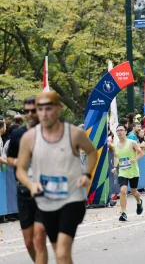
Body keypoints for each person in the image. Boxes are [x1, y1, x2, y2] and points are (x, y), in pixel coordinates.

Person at [15, 91, 97, 264]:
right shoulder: (29, 138)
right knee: (61, 254)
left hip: (72, 200)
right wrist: (31, 184)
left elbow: (91, 152)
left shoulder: (74, 134)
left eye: (49, 109)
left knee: (61, 252)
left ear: (59, 108)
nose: (44, 114)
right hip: (46, 203)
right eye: (40, 109)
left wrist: (87, 174)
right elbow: (20, 170)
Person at [5, 97, 47, 263]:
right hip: (23, 192)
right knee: (29, 242)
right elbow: (9, 159)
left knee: (38, 236)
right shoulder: (17, 134)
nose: (30, 114)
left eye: (33, 110)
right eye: (26, 111)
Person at [111, 124, 144, 222]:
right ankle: (123, 212)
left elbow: (141, 152)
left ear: (125, 132)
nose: (119, 132)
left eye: (121, 130)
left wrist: (135, 159)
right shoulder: (115, 145)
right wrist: (114, 167)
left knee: (134, 192)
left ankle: (139, 202)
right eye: (117, 131)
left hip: (133, 171)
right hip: (123, 171)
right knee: (123, 190)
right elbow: (116, 157)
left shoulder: (132, 143)